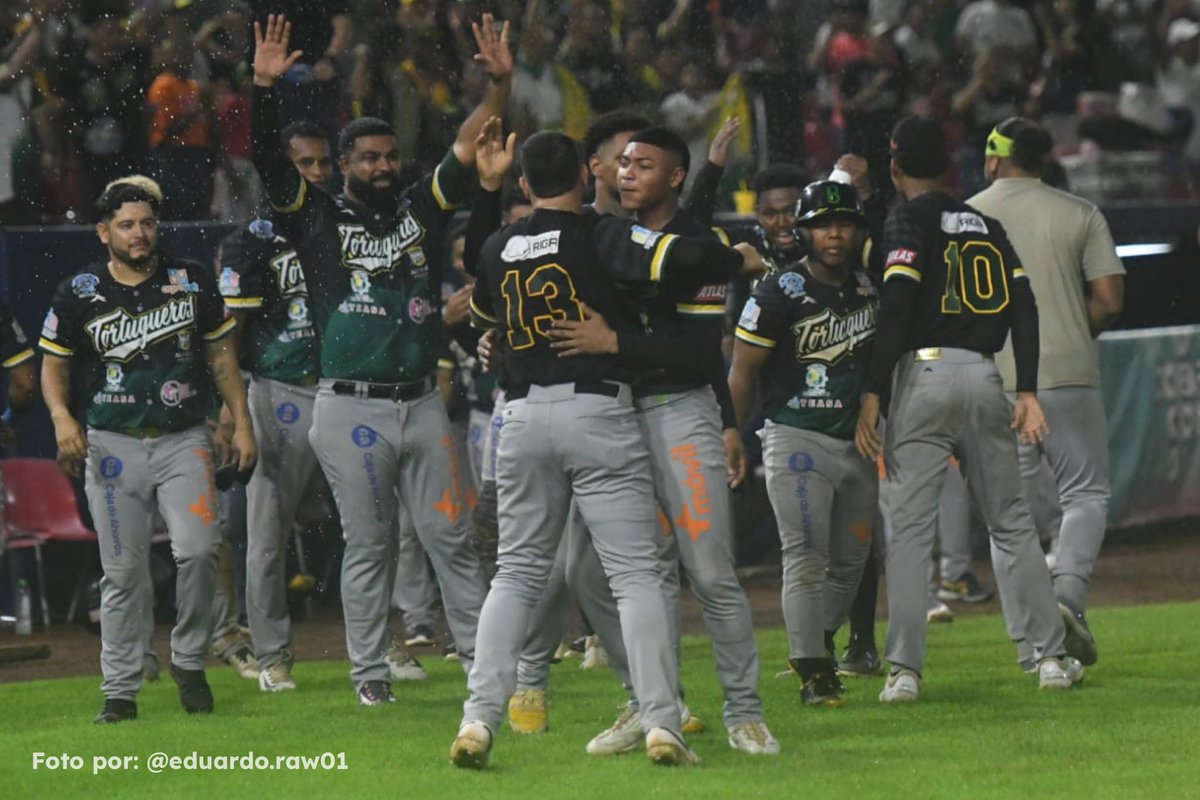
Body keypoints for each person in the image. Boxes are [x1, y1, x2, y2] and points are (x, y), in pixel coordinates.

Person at [450, 128, 750, 770]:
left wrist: (488, 192)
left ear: (524, 184)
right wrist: (737, 258)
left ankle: (478, 718)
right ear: (587, 180)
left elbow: (481, 308)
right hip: (596, 409)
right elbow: (687, 260)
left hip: (522, 417)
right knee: (638, 574)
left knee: (517, 573)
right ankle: (662, 721)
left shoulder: (502, 245)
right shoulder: (602, 234)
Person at [250, 13, 505, 705]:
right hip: (351, 405)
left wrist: (499, 87)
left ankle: (485, 666)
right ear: (345, 165)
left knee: (450, 538)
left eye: (389, 156)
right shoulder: (316, 217)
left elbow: (470, 146)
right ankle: (369, 674)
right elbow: (270, 164)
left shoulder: (420, 209)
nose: (383, 167)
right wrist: (264, 89)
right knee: (369, 544)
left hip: (422, 402)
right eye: (368, 158)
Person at [540, 127, 778, 756]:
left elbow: (699, 351)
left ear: (674, 177)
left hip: (677, 415)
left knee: (709, 571)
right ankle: (651, 704)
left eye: (643, 165)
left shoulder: (701, 245)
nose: (626, 173)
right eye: (622, 163)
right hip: (611, 417)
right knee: (585, 571)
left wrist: (618, 345)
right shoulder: (599, 237)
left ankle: (745, 711)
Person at [854, 115, 1083, 702]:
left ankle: (904, 671)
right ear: (951, 165)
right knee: (1011, 524)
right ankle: (1050, 658)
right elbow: (1025, 308)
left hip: (922, 378)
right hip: (985, 375)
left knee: (907, 532)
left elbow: (898, 304)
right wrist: (1026, 389)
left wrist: (874, 391)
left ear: (895, 165)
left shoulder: (908, 216)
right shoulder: (986, 223)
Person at [39, 180, 257, 724]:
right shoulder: (79, 290)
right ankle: (119, 688)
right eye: (128, 224)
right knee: (123, 571)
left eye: (147, 223)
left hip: (184, 438)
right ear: (103, 230)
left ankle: (188, 658)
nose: (140, 234)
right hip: (112, 445)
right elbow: (54, 366)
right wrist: (63, 416)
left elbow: (222, 358)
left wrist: (242, 422)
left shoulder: (191, 280)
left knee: (201, 550)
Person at [969, 116, 1125, 670]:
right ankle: (1066, 598)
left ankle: (1032, 647)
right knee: (1085, 493)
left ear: (993, 158)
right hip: (1066, 373)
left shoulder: (965, 218)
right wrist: (1067, 330)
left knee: (1008, 515)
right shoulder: (1079, 212)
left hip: (988, 377)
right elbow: (1108, 299)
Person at [728, 180, 878, 707]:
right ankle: (815, 672)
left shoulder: (869, 286)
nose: (833, 234)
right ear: (806, 230)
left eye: (843, 224)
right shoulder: (778, 290)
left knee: (852, 562)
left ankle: (816, 644)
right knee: (805, 555)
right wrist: (733, 431)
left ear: (859, 229)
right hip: (796, 437)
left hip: (858, 442)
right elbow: (743, 370)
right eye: (822, 225)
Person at [217, 119, 336, 693]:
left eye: (322, 164)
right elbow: (229, 337)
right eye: (303, 165)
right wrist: (233, 413)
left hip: (343, 391)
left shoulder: (345, 224)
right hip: (279, 390)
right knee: (267, 532)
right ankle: (272, 655)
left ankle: (379, 643)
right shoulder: (252, 239)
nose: (316, 175)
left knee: (375, 525)